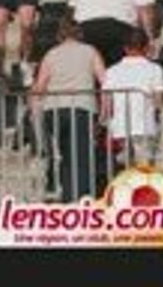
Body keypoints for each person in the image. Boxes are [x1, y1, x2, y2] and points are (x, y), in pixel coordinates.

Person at [30, 14, 106, 203]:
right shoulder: (90, 51)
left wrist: (34, 113)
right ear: (79, 33)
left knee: (64, 155)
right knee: (81, 156)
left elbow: (39, 87)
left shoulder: (51, 54)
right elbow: (105, 80)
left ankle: (67, 197)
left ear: (59, 34)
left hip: (54, 109)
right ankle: (80, 200)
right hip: (81, 107)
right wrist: (104, 111)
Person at [102, 28, 163, 168]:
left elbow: (106, 103)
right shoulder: (155, 69)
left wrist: (104, 122)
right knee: (144, 167)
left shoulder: (112, 71)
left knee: (125, 169)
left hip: (120, 126)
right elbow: (158, 102)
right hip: (144, 125)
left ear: (125, 48)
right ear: (146, 47)